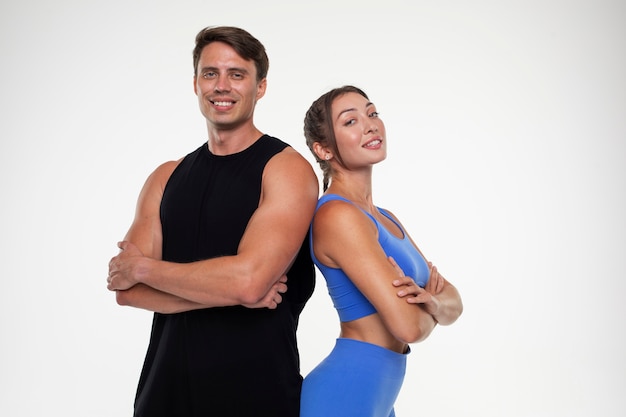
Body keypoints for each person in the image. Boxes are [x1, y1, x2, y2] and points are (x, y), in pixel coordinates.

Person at [106, 26, 319, 417]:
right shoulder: (165, 177)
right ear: (195, 84)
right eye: (210, 73)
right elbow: (127, 290)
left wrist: (145, 267)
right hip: (162, 395)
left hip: (256, 395)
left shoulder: (286, 169)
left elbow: (249, 282)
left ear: (261, 87)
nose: (222, 86)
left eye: (237, 75)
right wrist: (231, 293)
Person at [299, 85, 463, 417]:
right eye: (350, 121)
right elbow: (409, 329)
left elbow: (455, 302)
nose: (370, 125)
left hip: (379, 396)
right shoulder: (337, 216)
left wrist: (431, 302)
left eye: (372, 113)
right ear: (324, 149)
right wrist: (434, 307)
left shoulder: (385, 218)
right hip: (343, 396)